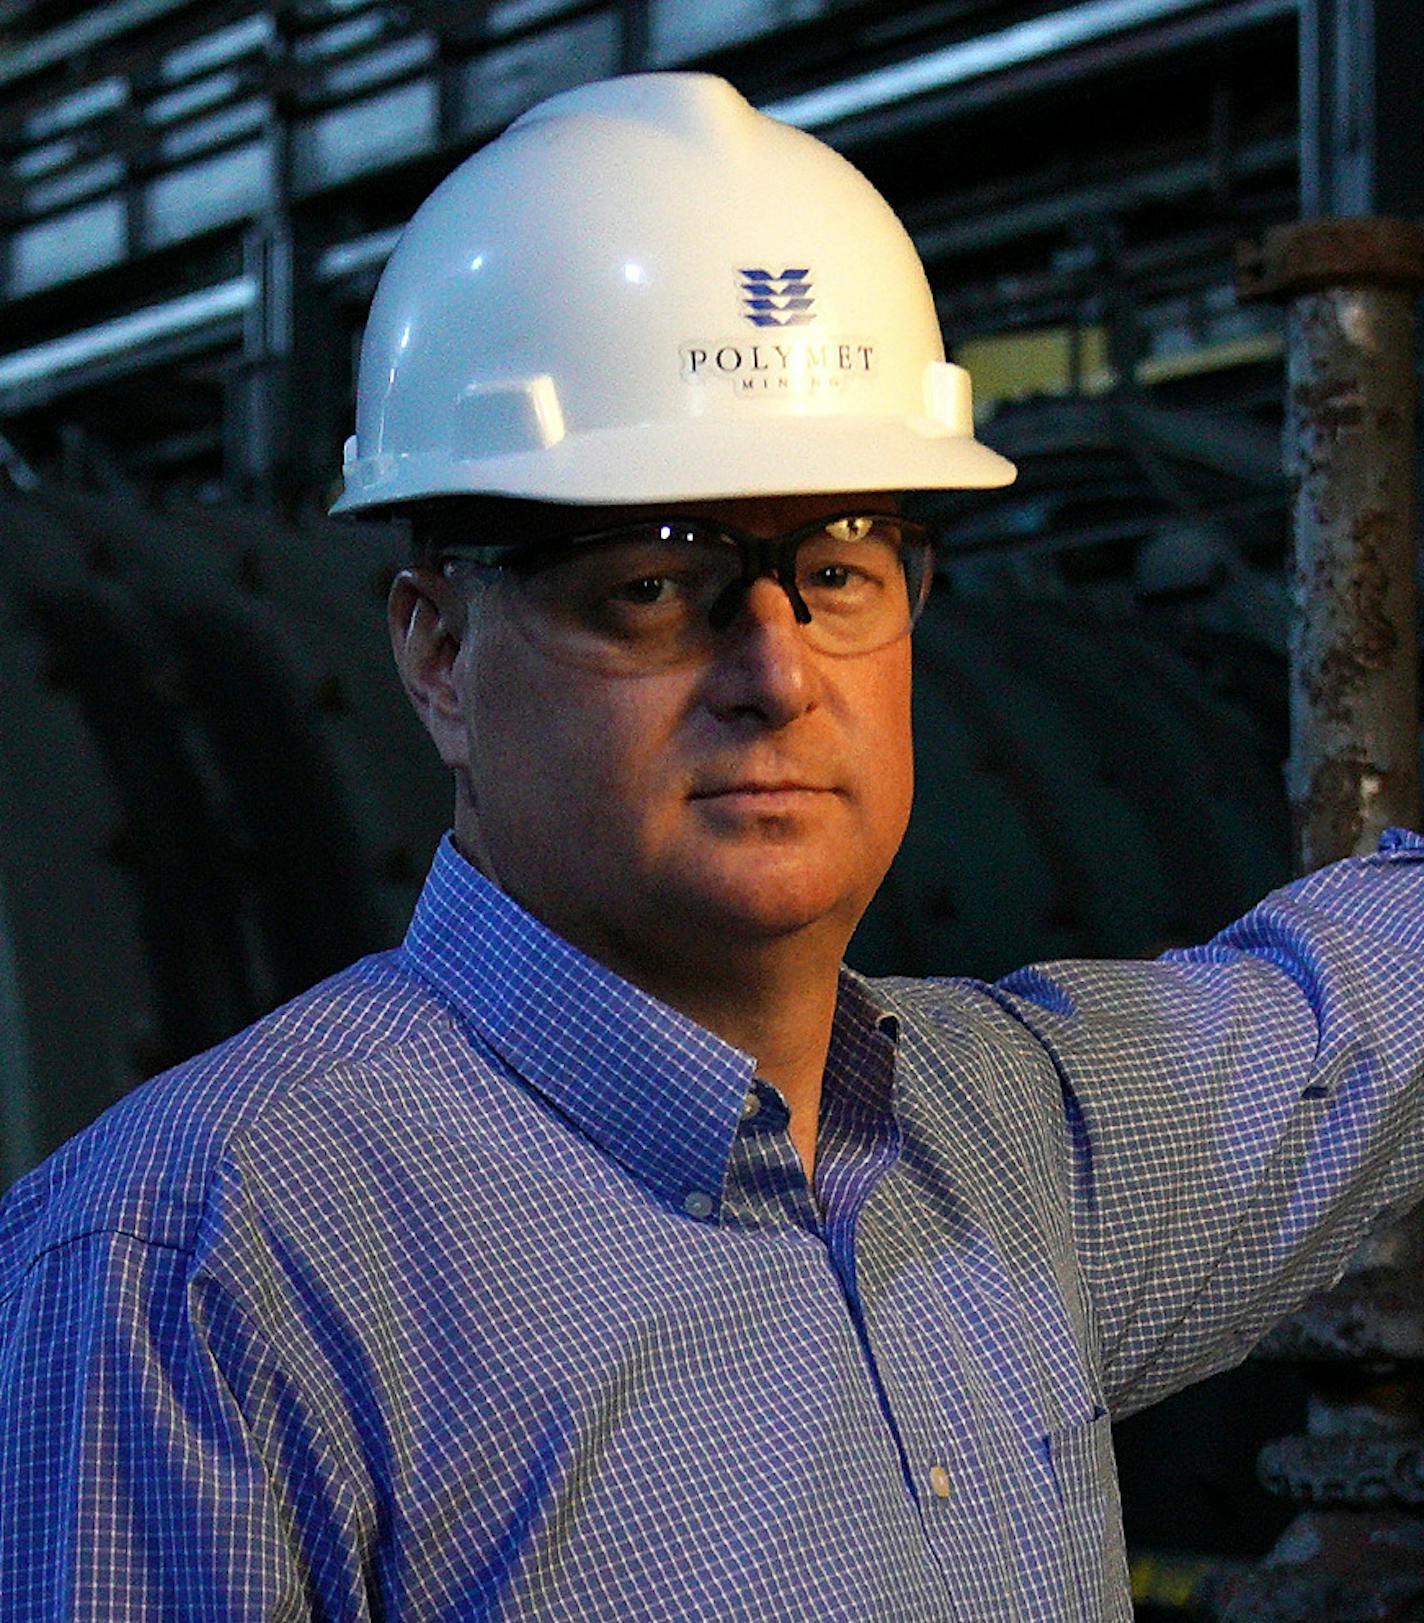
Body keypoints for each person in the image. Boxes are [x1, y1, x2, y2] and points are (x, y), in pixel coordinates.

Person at [2, 69, 1423, 1623]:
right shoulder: (200, 1278)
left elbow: (1357, 1018)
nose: (779, 669)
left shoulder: (1013, 1145)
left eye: (839, 566)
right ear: (436, 653)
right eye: (653, 583)